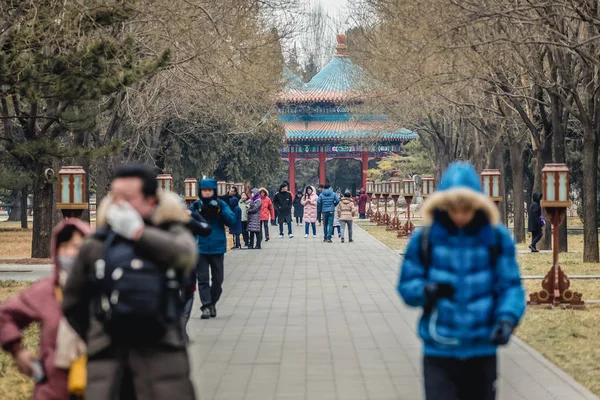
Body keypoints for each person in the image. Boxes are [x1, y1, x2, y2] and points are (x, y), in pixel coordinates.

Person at [62, 164, 198, 400]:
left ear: (151, 201)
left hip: (162, 356)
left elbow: (184, 256)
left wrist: (138, 233)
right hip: (109, 360)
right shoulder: (97, 244)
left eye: (128, 198)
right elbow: (73, 302)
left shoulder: (171, 233)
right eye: (115, 197)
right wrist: (97, 332)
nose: (120, 205)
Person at [397, 162, 525, 400]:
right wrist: (427, 290)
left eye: (466, 207)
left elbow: (510, 286)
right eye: (453, 207)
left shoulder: (496, 238)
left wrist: (507, 319)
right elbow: (407, 285)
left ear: (477, 205)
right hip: (439, 348)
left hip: (482, 347)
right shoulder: (424, 239)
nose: (459, 215)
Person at [0, 220, 91, 400]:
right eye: (65, 247)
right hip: (52, 390)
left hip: (97, 387)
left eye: (77, 247)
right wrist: (18, 351)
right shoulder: (45, 291)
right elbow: (5, 315)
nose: (72, 253)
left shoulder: (103, 289)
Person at [190, 178, 237, 319]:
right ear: (200, 191)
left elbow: (232, 220)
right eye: (204, 190)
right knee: (203, 279)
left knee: (218, 279)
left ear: (214, 191)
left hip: (217, 246)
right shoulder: (196, 206)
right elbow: (185, 221)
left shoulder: (221, 204)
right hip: (200, 247)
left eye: (210, 190)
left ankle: (212, 303)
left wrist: (220, 210)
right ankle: (205, 306)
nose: (207, 193)